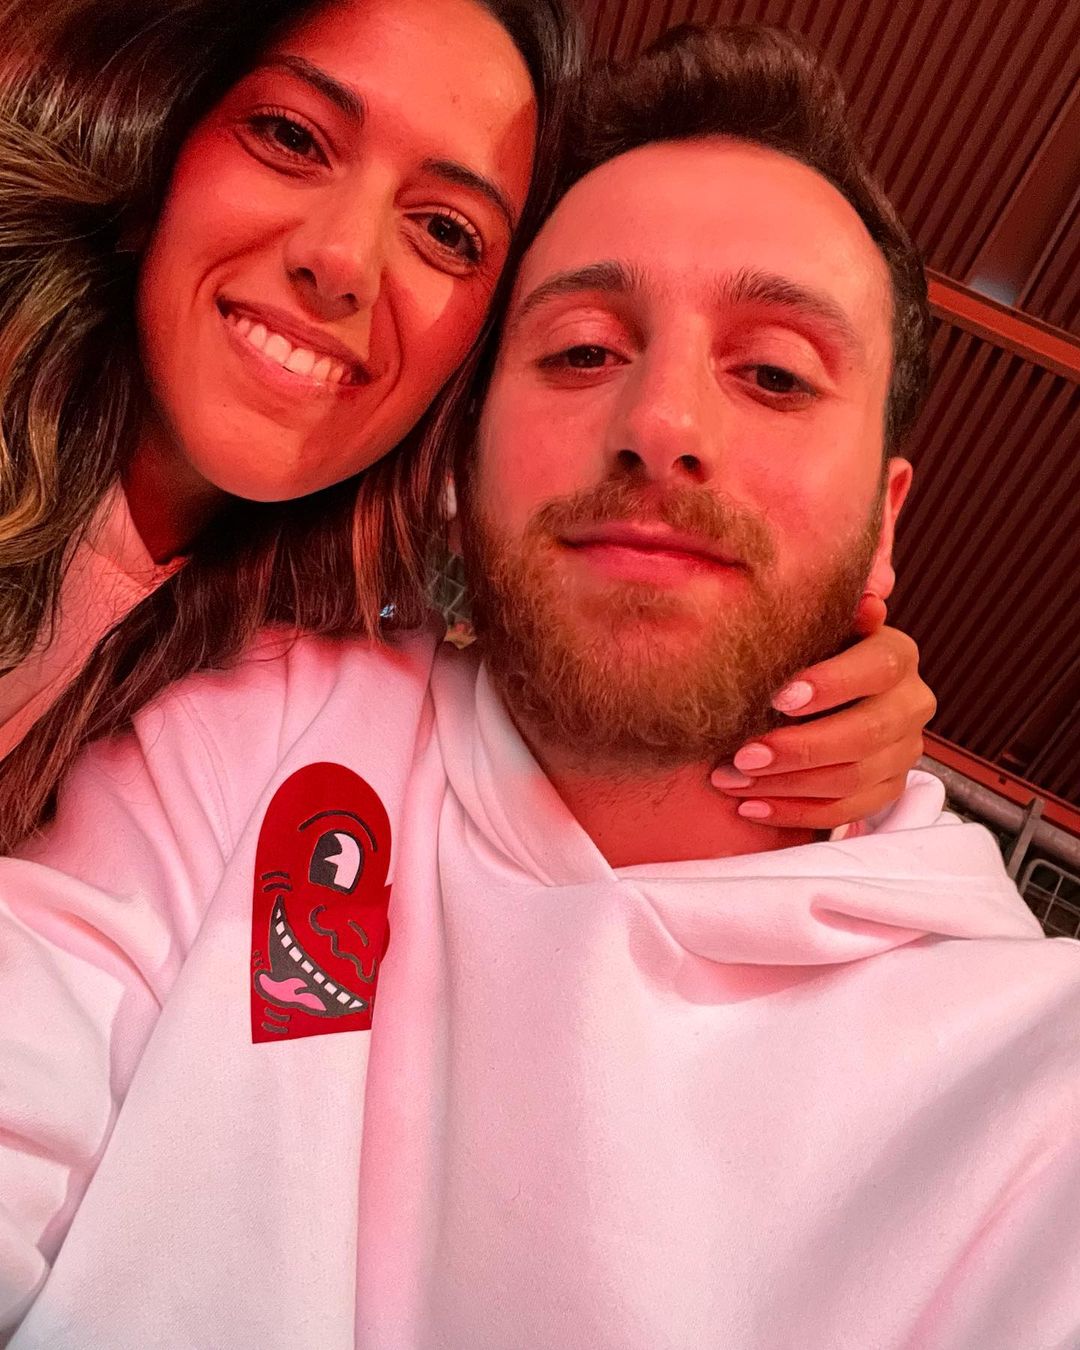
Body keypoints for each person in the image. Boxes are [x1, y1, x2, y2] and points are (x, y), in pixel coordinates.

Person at [7, 22, 1073, 1350]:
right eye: (579, 350)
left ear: (885, 523)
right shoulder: (249, 729)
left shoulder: (1035, 1088)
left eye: (774, 373)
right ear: (466, 458)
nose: (663, 425)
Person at [0, 0, 934, 851]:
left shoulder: (300, 628)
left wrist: (789, 675)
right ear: (158, 145)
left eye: (447, 230)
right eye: (292, 136)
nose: (342, 260)